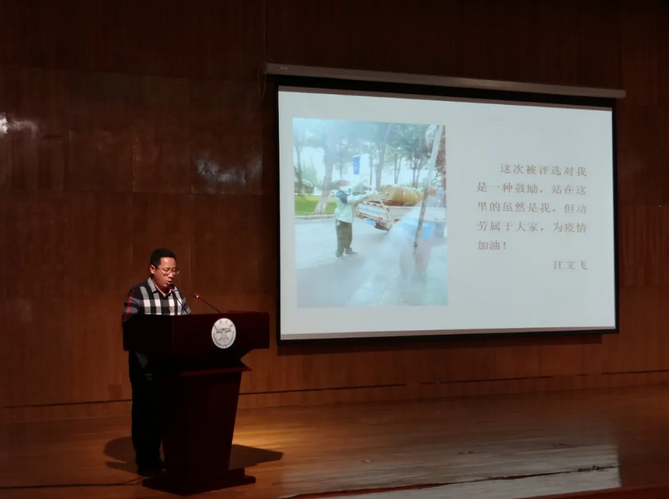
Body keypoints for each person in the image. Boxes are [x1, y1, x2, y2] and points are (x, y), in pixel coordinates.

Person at [121, 248, 191, 476]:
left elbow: (189, 323)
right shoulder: (139, 292)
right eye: (166, 270)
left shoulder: (177, 294)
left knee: (168, 413)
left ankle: (168, 456)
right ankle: (146, 461)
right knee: (146, 414)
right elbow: (129, 324)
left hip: (171, 365)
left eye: (174, 271)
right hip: (144, 365)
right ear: (153, 269)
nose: (171, 275)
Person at [334, 179, 376, 258]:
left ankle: (348, 250)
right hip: (341, 219)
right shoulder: (341, 194)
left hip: (348, 219)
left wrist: (361, 181)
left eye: (346, 183)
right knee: (341, 237)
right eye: (343, 184)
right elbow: (351, 200)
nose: (346, 185)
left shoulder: (347, 190)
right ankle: (339, 253)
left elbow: (354, 186)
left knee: (349, 236)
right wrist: (366, 195)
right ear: (339, 186)